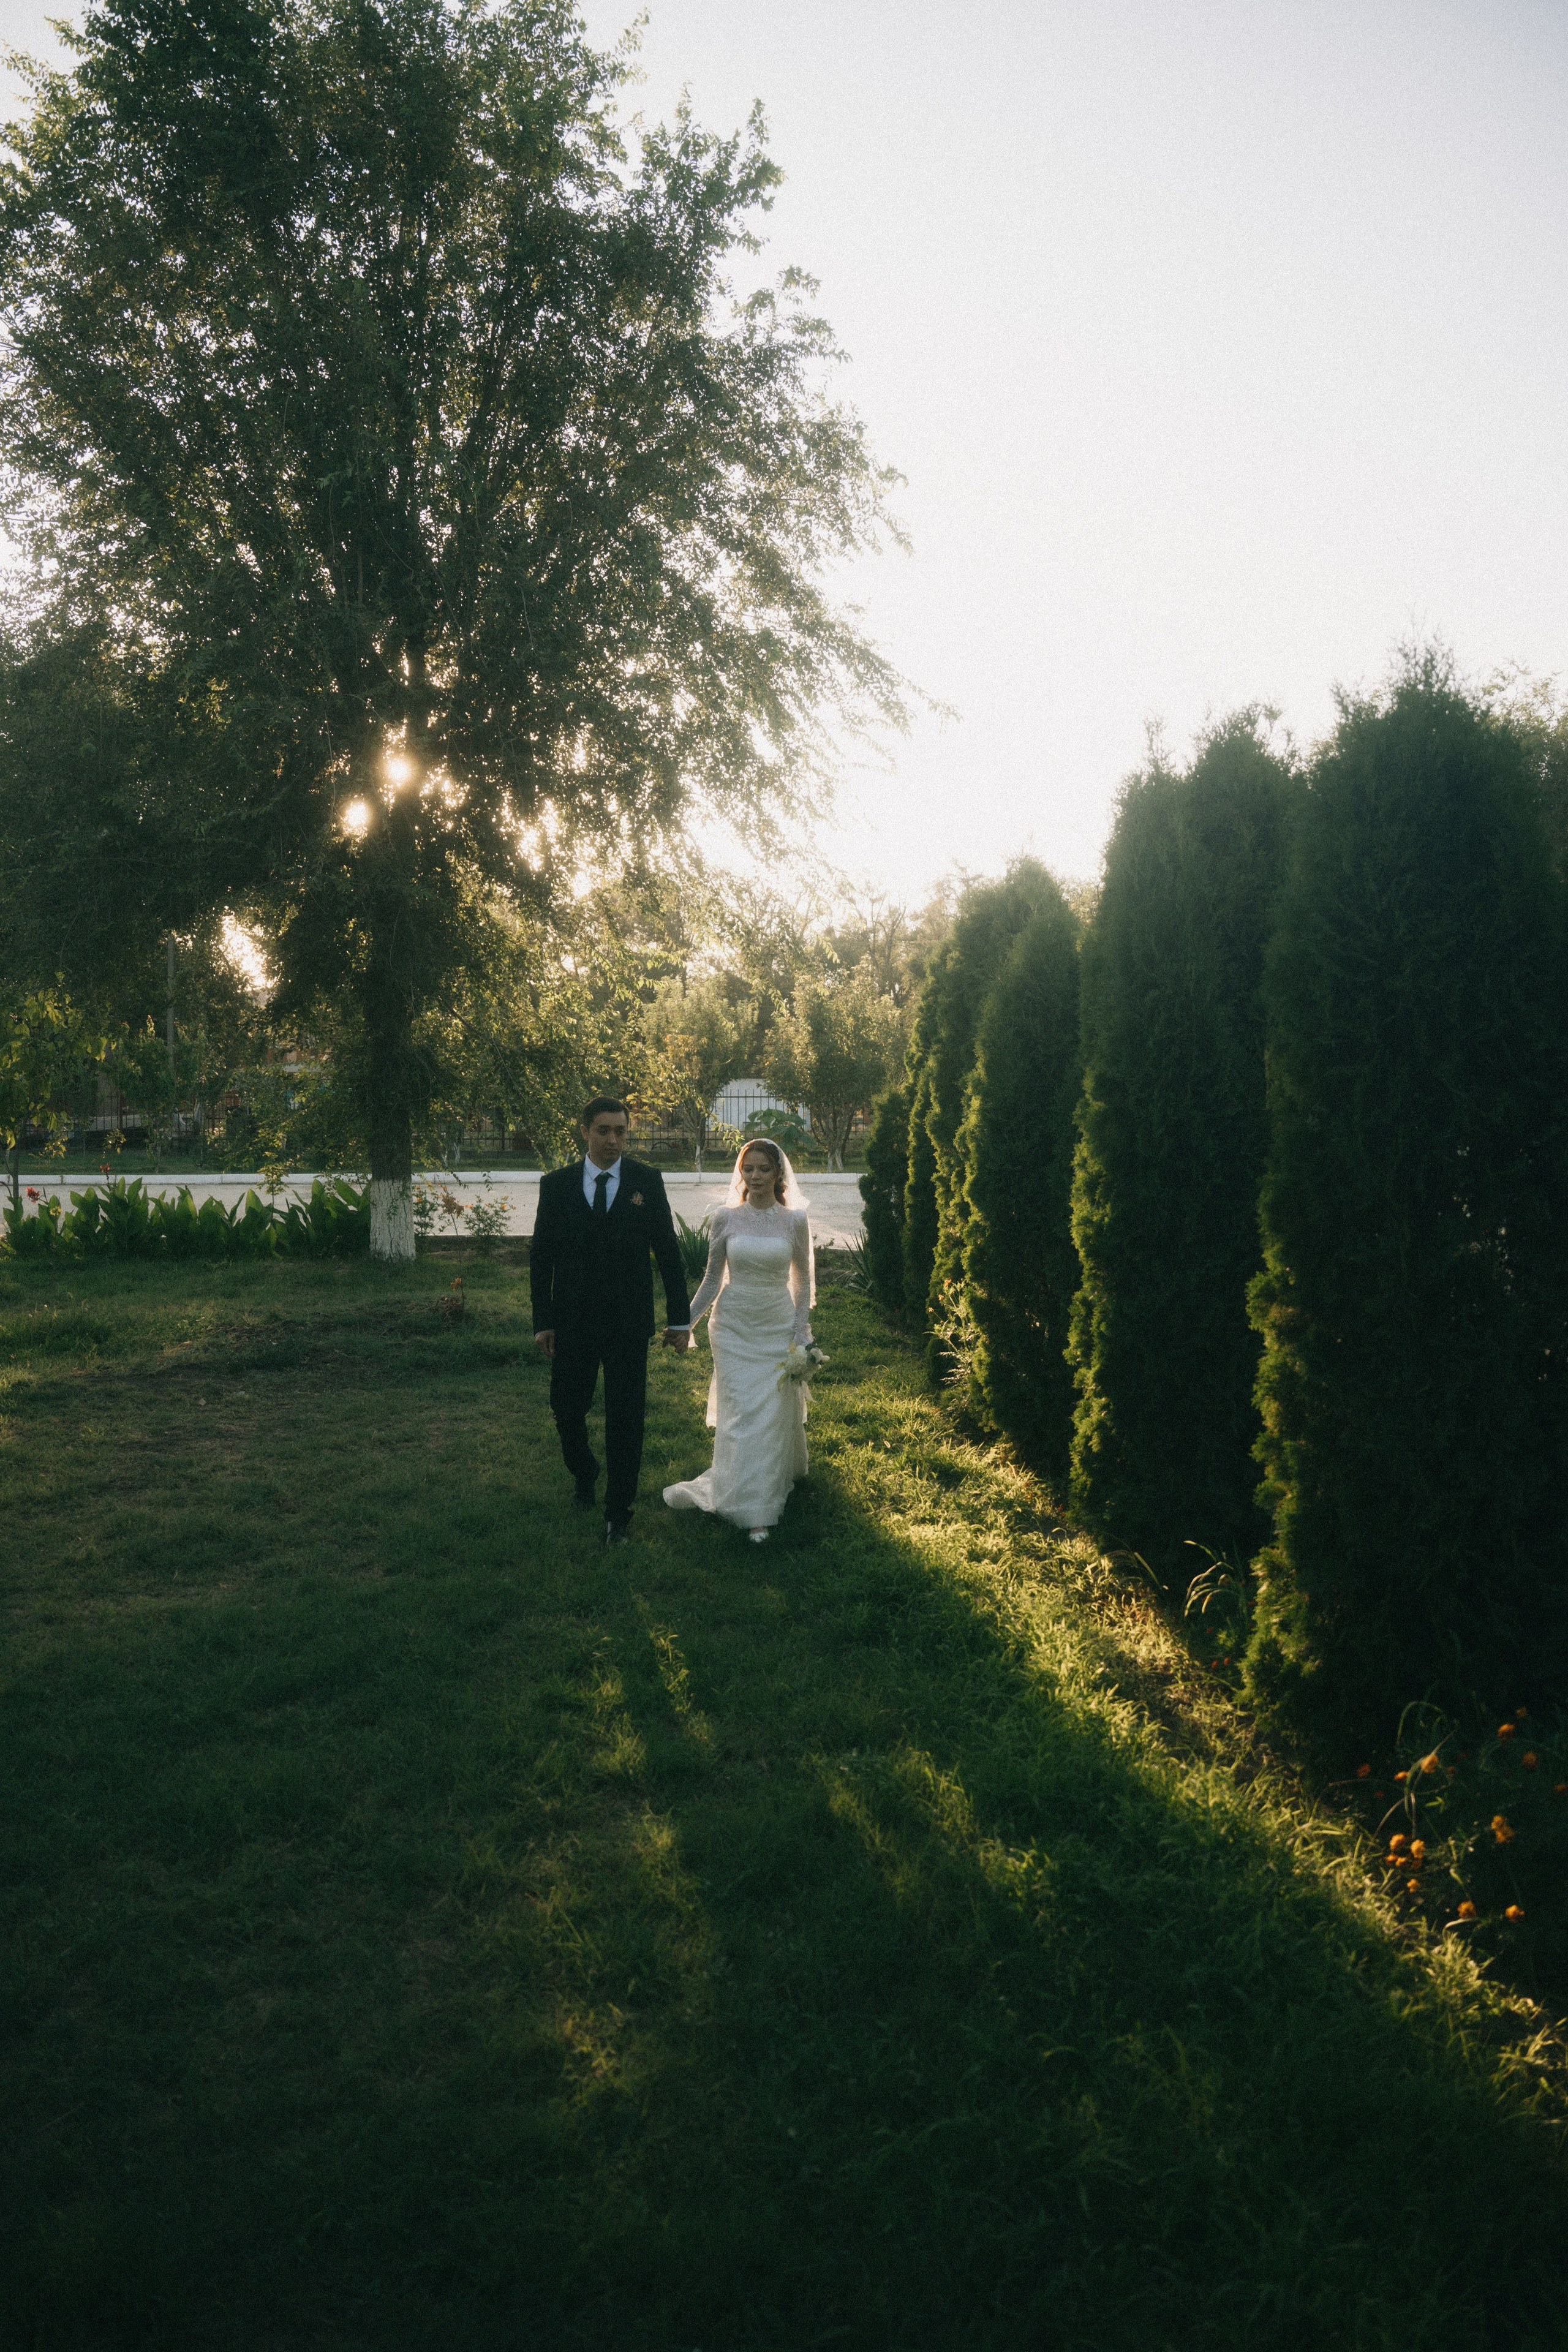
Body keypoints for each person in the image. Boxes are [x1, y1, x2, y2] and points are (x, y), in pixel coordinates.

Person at [531, 1096, 693, 1544]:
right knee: (567, 1409)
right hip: (572, 1323)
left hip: (627, 1324)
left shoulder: (647, 1181)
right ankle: (584, 1472)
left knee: (627, 1419)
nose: (613, 1140)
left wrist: (680, 1320)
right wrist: (543, 1320)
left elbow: (668, 1253)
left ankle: (617, 1515)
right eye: (604, 1131)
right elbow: (541, 1257)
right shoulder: (557, 1185)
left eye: (621, 1131)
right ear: (584, 1131)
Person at [663, 1139, 815, 1543]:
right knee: (741, 1414)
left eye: (764, 1169)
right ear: (741, 1172)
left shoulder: (794, 1220)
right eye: (749, 1169)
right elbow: (713, 1279)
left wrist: (801, 1334)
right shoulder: (725, 1218)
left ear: (778, 1174)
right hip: (731, 1327)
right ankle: (747, 1502)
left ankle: (761, 1503)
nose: (756, 1177)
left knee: (768, 1415)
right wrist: (686, 1323)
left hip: (775, 1325)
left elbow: (803, 1283)